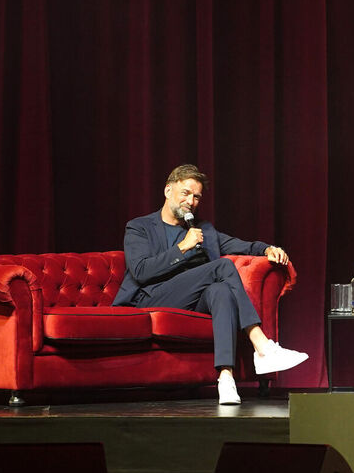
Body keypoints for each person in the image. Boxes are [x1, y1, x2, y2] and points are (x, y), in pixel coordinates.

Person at [113, 164, 308, 405]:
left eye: (196, 197)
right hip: (150, 299)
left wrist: (267, 249)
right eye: (185, 193)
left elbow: (241, 245)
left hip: (190, 303)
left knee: (221, 290)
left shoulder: (203, 230)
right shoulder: (139, 227)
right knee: (223, 267)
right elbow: (141, 271)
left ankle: (226, 378)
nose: (190, 201)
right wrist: (183, 247)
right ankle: (261, 344)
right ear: (167, 191)